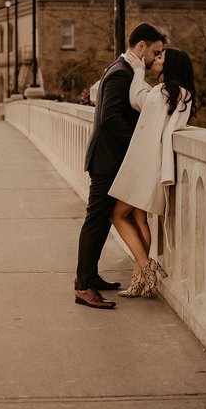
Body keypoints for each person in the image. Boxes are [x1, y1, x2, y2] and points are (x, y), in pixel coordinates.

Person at [74, 23, 167, 310]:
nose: (155, 58)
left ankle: (90, 276)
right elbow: (111, 118)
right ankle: (83, 287)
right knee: (95, 221)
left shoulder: (121, 70)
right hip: (107, 160)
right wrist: (141, 146)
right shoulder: (121, 74)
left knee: (102, 222)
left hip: (109, 159)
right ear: (141, 47)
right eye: (154, 51)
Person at [109, 47, 196, 298]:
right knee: (139, 217)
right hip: (157, 164)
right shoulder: (183, 94)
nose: (155, 59)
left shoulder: (162, 91)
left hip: (145, 164)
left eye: (160, 58)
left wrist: (137, 71)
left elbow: (137, 99)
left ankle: (147, 265)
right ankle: (138, 280)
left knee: (117, 215)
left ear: (170, 66)